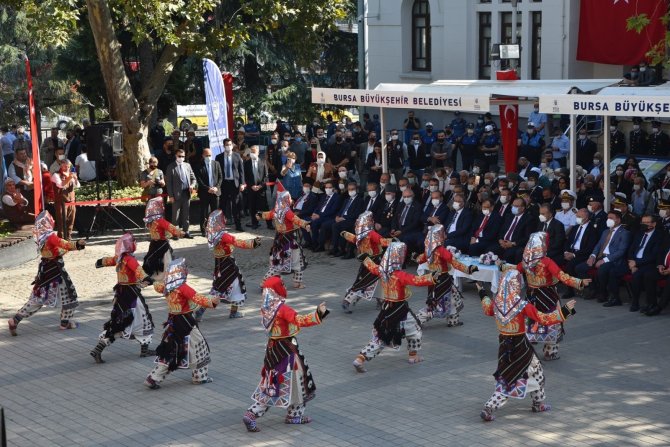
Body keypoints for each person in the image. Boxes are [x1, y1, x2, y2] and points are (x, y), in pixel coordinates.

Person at [476, 271, 577, 422]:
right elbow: (544, 318)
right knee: (512, 378)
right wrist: (565, 311)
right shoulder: (522, 305)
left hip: (504, 345)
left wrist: (482, 292)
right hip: (520, 345)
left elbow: (486, 307)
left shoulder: (496, 303)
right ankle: (489, 406)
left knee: (534, 372)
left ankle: (538, 403)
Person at [242, 276, 329, 432]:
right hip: (287, 350)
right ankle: (289, 415)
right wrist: (319, 314)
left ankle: (254, 413)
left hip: (272, 349)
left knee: (271, 382)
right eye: (282, 285)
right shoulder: (282, 309)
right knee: (298, 382)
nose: (285, 287)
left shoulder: (267, 307)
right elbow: (300, 320)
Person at [500, 232, 588, 361]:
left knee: (530, 320)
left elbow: (515, 269)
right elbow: (562, 276)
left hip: (531, 295)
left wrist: (502, 266)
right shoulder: (546, 261)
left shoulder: (526, 261)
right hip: (548, 295)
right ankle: (550, 351)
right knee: (554, 320)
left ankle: (526, 350)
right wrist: (579, 282)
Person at [352, 242, 435, 372]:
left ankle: (360, 358)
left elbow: (373, 267)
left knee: (382, 334)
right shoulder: (399, 275)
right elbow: (416, 280)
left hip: (387, 308)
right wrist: (432, 277)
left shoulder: (382, 270)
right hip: (399, 308)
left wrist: (366, 259)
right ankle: (413, 356)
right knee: (413, 330)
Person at [144, 258, 220, 389]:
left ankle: (153, 377)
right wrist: (213, 301)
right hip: (185, 321)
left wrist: (151, 280)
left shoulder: (166, 286)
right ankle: (199, 377)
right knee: (200, 347)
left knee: (170, 349)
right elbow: (198, 298)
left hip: (172, 321)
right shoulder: (183, 287)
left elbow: (157, 285)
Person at [8, 211, 85, 335]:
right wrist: (77, 244)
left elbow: (56, 250)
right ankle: (65, 323)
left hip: (45, 271)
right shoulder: (51, 236)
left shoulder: (40, 236)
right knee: (70, 296)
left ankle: (15, 319)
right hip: (56, 272)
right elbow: (64, 244)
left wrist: (69, 249)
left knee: (37, 299)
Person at [90, 233, 156, 363]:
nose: (135, 243)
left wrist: (100, 262)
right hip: (131, 294)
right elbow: (138, 271)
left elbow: (110, 260)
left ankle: (98, 348)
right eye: (133, 242)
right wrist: (147, 279)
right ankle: (145, 350)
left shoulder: (120, 258)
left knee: (118, 322)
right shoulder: (130, 259)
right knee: (144, 319)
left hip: (120, 293)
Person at [196, 210, 261, 322]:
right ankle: (229, 312)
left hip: (219, 264)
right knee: (234, 287)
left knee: (218, 288)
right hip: (228, 264)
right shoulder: (223, 235)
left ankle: (204, 310)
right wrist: (253, 243)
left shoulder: (211, 234)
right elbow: (237, 242)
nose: (224, 220)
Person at [415, 225, 476, 327]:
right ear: (439, 236)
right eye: (443, 233)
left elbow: (420, 259)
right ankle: (417, 320)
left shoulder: (429, 250)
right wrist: (468, 269)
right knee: (440, 305)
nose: (445, 235)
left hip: (433, 278)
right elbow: (454, 262)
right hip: (442, 279)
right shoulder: (441, 250)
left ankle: (453, 321)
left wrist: (415, 257)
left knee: (454, 298)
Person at [258, 185, 311, 289]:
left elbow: (267, 215)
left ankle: (265, 281)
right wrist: (305, 224)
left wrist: (259, 215)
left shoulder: (276, 210)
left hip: (279, 239)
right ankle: (296, 282)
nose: (291, 199)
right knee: (297, 260)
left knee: (277, 260)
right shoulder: (287, 211)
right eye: (289, 198)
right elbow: (296, 219)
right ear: (286, 199)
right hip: (289, 240)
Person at [576, 210, 631, 305]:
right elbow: (598, 245)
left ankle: (603, 293)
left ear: (618, 220)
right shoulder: (605, 231)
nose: (608, 220)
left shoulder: (624, 233)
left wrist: (604, 260)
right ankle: (593, 289)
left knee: (602, 269)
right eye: (608, 218)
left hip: (612, 260)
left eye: (611, 218)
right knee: (580, 268)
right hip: (599, 257)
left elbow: (621, 251)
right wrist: (592, 256)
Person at [340, 211, 392, 313]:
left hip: (365, 260)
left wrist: (345, 234)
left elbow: (354, 239)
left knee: (377, 281)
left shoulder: (360, 233)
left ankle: (381, 301)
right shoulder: (370, 233)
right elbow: (383, 242)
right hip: (375, 260)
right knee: (365, 282)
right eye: (371, 220)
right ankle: (347, 301)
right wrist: (394, 241)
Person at [626, 215, 662, 312]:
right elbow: (631, 249)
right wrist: (631, 261)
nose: (644, 225)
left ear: (653, 224)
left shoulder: (658, 236)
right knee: (635, 276)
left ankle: (650, 303)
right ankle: (635, 302)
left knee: (642, 275)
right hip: (634, 262)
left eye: (647, 222)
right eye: (643, 222)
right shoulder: (639, 233)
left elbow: (654, 255)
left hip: (648, 264)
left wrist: (636, 264)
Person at [141, 197, 184, 279]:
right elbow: (171, 227)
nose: (163, 207)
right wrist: (180, 233)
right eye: (161, 205)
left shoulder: (149, 221)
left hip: (153, 243)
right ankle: (165, 277)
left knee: (153, 259)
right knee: (166, 261)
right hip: (162, 243)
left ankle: (154, 276)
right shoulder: (160, 220)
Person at [563, 208, 600, 299]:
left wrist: (574, 255)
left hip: (583, 254)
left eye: (579, 217)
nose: (577, 218)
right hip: (571, 252)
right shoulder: (575, 227)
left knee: (571, 265)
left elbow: (589, 247)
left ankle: (571, 289)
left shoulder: (592, 229)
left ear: (586, 217)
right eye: (577, 216)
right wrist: (566, 252)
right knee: (556, 260)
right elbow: (568, 242)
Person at [165, 148, 197, 238]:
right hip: (176, 194)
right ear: (176, 156)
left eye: (183, 156)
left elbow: (193, 178)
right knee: (175, 215)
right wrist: (170, 195)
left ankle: (186, 231)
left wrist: (192, 185)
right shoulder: (171, 166)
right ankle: (175, 233)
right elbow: (169, 183)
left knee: (186, 214)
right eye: (179, 156)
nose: (181, 158)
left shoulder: (187, 165)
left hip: (186, 193)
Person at [215, 139, 246, 231]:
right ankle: (220, 225)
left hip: (234, 184)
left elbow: (241, 171)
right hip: (224, 184)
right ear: (224, 146)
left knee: (236, 205)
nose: (228, 146)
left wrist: (242, 183)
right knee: (223, 205)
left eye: (229, 144)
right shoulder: (219, 157)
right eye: (226, 145)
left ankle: (238, 225)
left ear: (232, 145)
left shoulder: (237, 156)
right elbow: (217, 172)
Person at [328, 182, 364, 257]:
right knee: (334, 225)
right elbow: (341, 210)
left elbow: (357, 213)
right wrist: (337, 216)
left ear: (356, 190)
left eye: (352, 189)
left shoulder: (359, 200)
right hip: (343, 219)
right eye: (349, 189)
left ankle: (340, 249)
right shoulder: (347, 200)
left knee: (337, 226)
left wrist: (344, 218)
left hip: (351, 220)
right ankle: (337, 248)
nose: (350, 191)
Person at [307, 181, 341, 251]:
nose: (327, 189)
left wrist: (319, 216)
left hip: (329, 217)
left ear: (333, 188)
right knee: (310, 222)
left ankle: (320, 245)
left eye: (329, 187)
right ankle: (314, 243)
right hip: (320, 216)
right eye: (326, 187)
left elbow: (333, 210)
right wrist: (314, 213)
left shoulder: (337, 197)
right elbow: (318, 206)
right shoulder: (323, 196)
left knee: (316, 223)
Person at [195, 148, 222, 236]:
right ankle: (204, 230)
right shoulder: (199, 165)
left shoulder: (216, 164)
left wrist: (216, 187)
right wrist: (208, 188)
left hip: (215, 192)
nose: (208, 157)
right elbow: (199, 180)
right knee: (204, 212)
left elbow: (220, 177)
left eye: (210, 155)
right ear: (203, 156)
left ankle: (215, 229)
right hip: (204, 193)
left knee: (215, 212)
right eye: (207, 155)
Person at [51, 159, 79, 240]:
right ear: (61, 166)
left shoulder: (71, 174)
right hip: (61, 201)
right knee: (61, 220)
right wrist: (70, 177)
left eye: (68, 166)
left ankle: (69, 237)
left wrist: (75, 179)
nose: (66, 168)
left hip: (71, 201)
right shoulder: (56, 175)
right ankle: (61, 238)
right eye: (64, 166)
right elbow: (61, 185)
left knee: (71, 220)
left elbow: (78, 186)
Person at [243, 145, 270, 229]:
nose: (252, 153)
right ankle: (254, 223)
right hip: (251, 189)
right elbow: (245, 177)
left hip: (261, 189)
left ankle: (269, 224)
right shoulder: (246, 163)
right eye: (251, 152)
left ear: (258, 153)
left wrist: (260, 186)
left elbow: (266, 177)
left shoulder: (263, 162)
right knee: (252, 207)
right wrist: (251, 186)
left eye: (254, 152)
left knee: (265, 207)